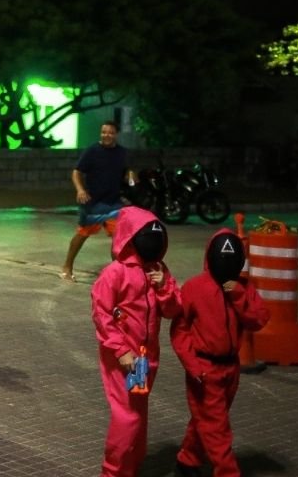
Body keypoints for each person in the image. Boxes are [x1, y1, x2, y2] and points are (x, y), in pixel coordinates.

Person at [90, 206, 182, 477]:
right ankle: (113, 472)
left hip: (145, 359)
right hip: (123, 359)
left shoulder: (157, 269)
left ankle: (131, 466)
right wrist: (120, 350)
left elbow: (174, 309)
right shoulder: (115, 273)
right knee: (127, 417)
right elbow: (101, 312)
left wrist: (164, 285)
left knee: (138, 412)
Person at [171, 229, 269, 477]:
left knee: (208, 419)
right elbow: (180, 331)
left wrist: (236, 294)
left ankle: (188, 459)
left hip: (230, 367)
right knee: (217, 426)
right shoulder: (194, 288)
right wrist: (192, 365)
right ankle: (227, 472)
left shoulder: (243, 288)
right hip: (204, 368)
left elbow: (258, 319)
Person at [63, 120, 131, 282]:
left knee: (118, 238)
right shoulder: (92, 151)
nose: (107, 135)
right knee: (82, 234)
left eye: (110, 132)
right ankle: (67, 266)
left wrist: (131, 178)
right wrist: (80, 190)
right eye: (104, 132)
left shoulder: (123, 153)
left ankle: (118, 274)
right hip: (93, 203)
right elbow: (76, 172)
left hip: (114, 202)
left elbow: (128, 171)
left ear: (116, 134)